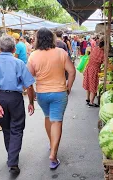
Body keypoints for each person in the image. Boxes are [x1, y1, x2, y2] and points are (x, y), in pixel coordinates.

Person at [0, 35, 35, 174]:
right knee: (17, 128)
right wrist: (31, 102)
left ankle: (11, 157)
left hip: (0, 97)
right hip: (15, 98)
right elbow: (29, 86)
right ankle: (13, 161)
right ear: (14, 49)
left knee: (6, 128)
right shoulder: (19, 63)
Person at [27, 27, 76, 169]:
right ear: (52, 38)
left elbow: (29, 79)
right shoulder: (61, 53)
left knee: (48, 117)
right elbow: (72, 72)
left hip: (42, 93)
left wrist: (31, 98)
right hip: (59, 92)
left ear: (37, 39)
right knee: (57, 122)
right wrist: (69, 87)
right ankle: (53, 154)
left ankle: (51, 144)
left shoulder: (33, 56)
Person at [83, 41, 113, 107]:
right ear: (104, 46)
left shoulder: (95, 48)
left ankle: (88, 99)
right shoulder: (103, 54)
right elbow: (108, 65)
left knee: (88, 83)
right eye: (108, 47)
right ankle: (91, 102)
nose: (109, 48)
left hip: (88, 67)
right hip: (94, 70)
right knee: (93, 85)